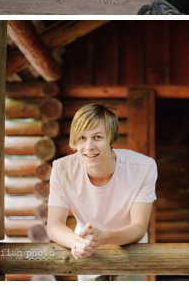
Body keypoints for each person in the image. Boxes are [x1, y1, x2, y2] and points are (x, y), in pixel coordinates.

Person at [47, 103, 157, 279]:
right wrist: (77, 242)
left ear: (111, 139)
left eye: (97, 137)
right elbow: (54, 225)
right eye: (82, 138)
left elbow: (139, 227)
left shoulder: (144, 167)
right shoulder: (61, 169)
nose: (89, 146)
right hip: (87, 252)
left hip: (131, 252)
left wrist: (104, 238)